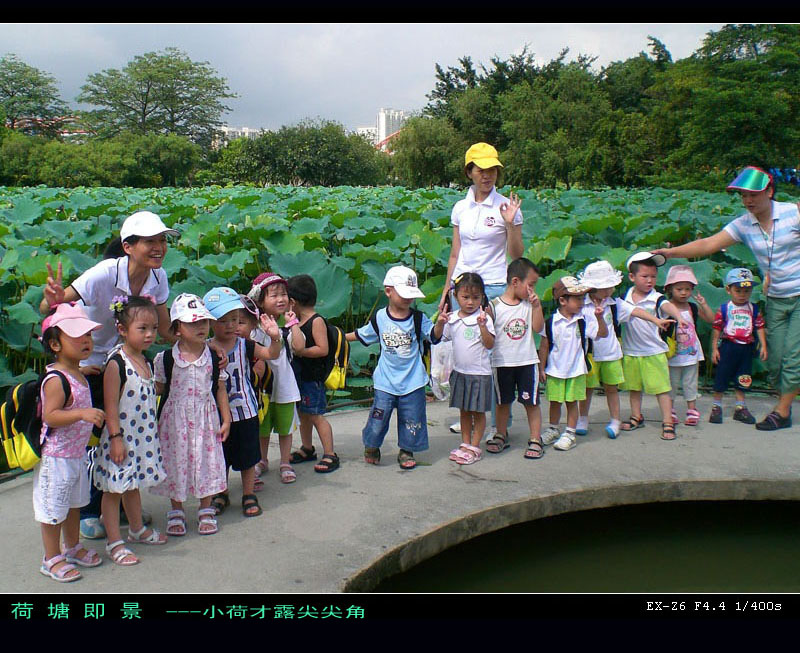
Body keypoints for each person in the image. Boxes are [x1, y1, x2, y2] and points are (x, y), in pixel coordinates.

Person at [39, 211, 179, 539]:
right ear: (128, 246)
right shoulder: (104, 273)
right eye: (150, 241)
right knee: (95, 436)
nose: (159, 247)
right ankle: (91, 508)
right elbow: (56, 309)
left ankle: (118, 503)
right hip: (88, 357)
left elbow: (164, 327)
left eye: (162, 240)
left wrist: (200, 339)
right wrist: (55, 302)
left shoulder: (158, 279)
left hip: (124, 359)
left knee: (123, 433)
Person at [653, 166, 800, 431]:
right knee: (776, 360)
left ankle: (782, 411)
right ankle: (785, 403)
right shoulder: (745, 224)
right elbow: (708, 244)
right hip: (776, 298)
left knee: (793, 358)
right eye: (743, 195)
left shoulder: (794, 213)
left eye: (753, 194)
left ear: (770, 191)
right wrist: (669, 253)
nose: (748, 201)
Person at [438, 142, 523, 438]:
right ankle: (471, 415)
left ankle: (500, 422)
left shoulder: (505, 207)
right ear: (469, 172)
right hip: (462, 286)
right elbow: (455, 252)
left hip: (494, 286)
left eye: (492, 170)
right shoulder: (460, 207)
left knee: (495, 356)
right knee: (467, 352)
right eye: (481, 169)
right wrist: (446, 288)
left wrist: (511, 224)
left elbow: (516, 254)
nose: (487, 175)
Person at [91, 295, 167, 567]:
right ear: (122, 330)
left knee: (131, 485)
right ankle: (114, 541)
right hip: (120, 439)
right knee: (113, 491)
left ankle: (136, 529)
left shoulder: (145, 360)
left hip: (140, 438)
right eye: (142, 329)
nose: (150, 334)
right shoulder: (117, 363)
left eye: (154, 328)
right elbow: (111, 406)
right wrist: (115, 439)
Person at [151, 294, 231, 537]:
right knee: (176, 462)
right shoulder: (165, 359)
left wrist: (226, 419)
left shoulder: (214, 357)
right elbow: (159, 389)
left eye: (204, 322)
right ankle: (176, 509)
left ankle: (205, 508)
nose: (201, 327)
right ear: (177, 329)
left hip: (206, 419)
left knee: (206, 461)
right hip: (175, 422)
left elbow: (219, 388)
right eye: (193, 323)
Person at [35, 303, 105, 582]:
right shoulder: (55, 380)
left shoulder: (76, 371)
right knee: (54, 509)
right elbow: (51, 416)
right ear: (54, 344)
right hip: (57, 457)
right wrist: (82, 413)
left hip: (76, 454)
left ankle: (73, 547)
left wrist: (83, 374)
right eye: (76, 336)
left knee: (74, 503)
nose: (85, 341)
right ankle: (51, 557)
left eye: (87, 335)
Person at [346, 265, 439, 470]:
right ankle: (371, 445)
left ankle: (407, 450)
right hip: (385, 381)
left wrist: (441, 322)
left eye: (411, 295)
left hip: (413, 380)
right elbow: (362, 335)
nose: (408, 299)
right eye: (404, 294)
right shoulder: (379, 318)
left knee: (412, 420)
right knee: (378, 419)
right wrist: (336, 338)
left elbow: (434, 336)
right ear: (388, 290)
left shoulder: (418, 318)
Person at [204, 287, 282, 518]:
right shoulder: (205, 347)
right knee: (220, 455)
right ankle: (221, 492)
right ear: (210, 322)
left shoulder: (245, 345)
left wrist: (275, 336)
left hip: (245, 408)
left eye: (235, 320)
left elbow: (272, 354)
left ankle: (249, 493)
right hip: (215, 411)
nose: (231, 325)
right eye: (223, 320)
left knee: (248, 456)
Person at [576, 260, 676, 439]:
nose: (611, 290)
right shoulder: (581, 305)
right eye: (607, 287)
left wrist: (656, 320)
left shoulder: (614, 304)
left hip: (611, 354)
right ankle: (582, 418)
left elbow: (636, 311)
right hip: (589, 354)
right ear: (593, 288)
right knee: (587, 389)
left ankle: (615, 419)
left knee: (611, 388)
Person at [619, 253, 686, 441]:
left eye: (653, 277)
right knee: (634, 388)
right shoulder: (625, 297)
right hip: (631, 350)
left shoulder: (657, 298)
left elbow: (668, 306)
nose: (650, 281)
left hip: (654, 351)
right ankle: (636, 416)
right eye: (645, 276)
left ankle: (667, 421)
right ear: (632, 277)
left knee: (661, 389)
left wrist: (680, 317)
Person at [485, 258, 545, 459]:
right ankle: (501, 434)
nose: (533, 289)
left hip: (527, 361)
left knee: (532, 402)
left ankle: (536, 438)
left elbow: (538, 329)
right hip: (502, 363)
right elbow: (488, 337)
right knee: (503, 402)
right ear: (515, 282)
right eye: (531, 284)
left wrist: (537, 307)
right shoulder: (494, 306)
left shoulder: (529, 305)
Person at [433, 273, 496, 465]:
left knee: (478, 412)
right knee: (464, 411)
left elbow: (490, 344)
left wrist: (483, 327)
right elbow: (438, 338)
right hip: (460, 372)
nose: (470, 302)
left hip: (480, 373)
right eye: (465, 297)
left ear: (482, 298)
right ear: (456, 296)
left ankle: (475, 446)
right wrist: (440, 322)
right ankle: (465, 443)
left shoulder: (483, 318)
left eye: (476, 298)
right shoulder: (451, 319)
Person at [539, 277, 607, 452]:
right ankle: (553, 428)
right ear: (562, 300)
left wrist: (599, 318)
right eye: (577, 299)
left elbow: (602, 334)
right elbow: (545, 345)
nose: (581, 303)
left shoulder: (583, 320)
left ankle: (570, 433)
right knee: (554, 402)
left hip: (576, 370)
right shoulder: (551, 322)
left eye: (583, 299)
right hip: (555, 369)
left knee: (572, 402)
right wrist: (541, 368)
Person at [247, 272, 302, 484]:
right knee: (263, 426)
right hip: (264, 386)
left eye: (284, 295)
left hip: (286, 385)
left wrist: (293, 323)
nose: (281, 299)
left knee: (285, 427)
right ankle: (262, 460)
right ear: (260, 300)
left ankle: (285, 461)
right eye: (274, 295)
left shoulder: (287, 327)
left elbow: (299, 346)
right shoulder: (254, 329)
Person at [286, 274, 339, 473]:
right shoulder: (296, 321)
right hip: (300, 377)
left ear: (293, 302)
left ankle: (330, 453)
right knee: (303, 414)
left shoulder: (316, 321)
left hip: (313, 378)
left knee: (316, 415)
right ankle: (307, 448)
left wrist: (302, 352)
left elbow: (323, 349)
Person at [709, 268, 768, 424]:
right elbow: (717, 329)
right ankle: (716, 406)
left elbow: (759, 326)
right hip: (729, 346)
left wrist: (763, 346)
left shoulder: (753, 309)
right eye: (738, 290)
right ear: (728, 289)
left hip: (746, 347)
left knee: (744, 377)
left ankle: (740, 407)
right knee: (722, 375)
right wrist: (714, 348)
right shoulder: (724, 309)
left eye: (747, 291)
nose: (742, 294)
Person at [662, 265, 714, 425]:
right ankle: (669, 410)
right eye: (679, 289)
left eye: (687, 289)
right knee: (671, 383)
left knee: (690, 382)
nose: (684, 292)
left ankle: (692, 409)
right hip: (673, 354)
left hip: (691, 353)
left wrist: (704, 304)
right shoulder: (665, 307)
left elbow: (711, 320)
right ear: (670, 289)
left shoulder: (692, 307)